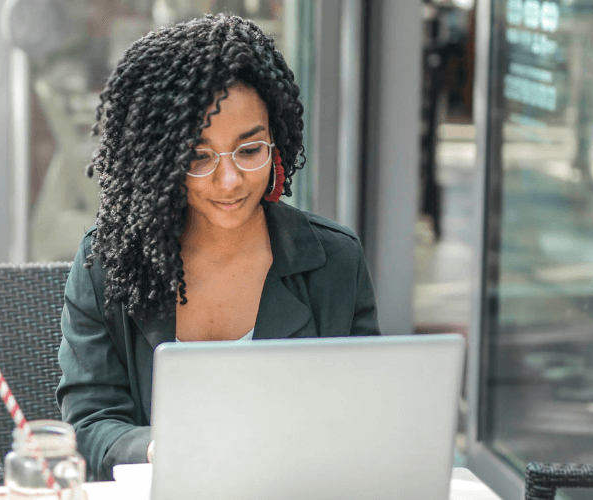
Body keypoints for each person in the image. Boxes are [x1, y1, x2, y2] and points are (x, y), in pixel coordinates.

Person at [55, 14, 381, 481]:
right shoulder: (107, 264)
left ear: (277, 144)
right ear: (161, 160)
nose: (229, 182)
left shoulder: (334, 262)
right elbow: (88, 427)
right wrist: (157, 448)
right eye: (198, 157)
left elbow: (365, 421)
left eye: (249, 151)